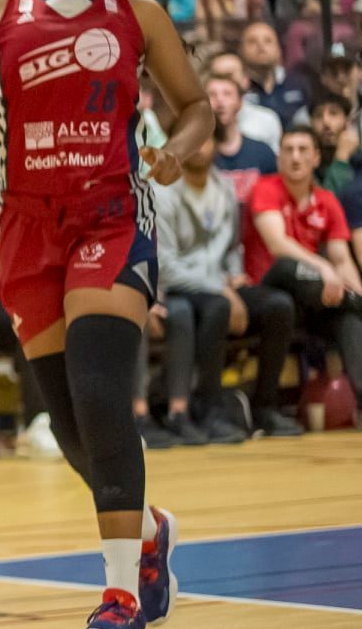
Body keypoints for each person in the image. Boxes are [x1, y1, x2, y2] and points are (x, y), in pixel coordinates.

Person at [0, 0, 213, 629]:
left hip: (109, 216)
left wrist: (175, 154)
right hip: (25, 226)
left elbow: (197, 107)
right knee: (67, 422)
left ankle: (122, 596)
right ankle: (150, 532)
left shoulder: (134, 15)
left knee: (98, 390)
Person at [152, 135, 293, 446]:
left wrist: (234, 276)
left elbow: (230, 248)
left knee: (278, 306)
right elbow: (166, 265)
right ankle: (208, 406)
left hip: (220, 283)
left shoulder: (224, 187)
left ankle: (264, 406)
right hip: (179, 285)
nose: (199, 146)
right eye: (193, 141)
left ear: (215, 146)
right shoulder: (163, 191)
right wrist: (221, 288)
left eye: (205, 140)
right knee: (219, 307)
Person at [243, 128, 362, 404]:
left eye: (303, 150)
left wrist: (357, 294)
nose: (295, 157)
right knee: (287, 266)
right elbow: (277, 244)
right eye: (289, 150)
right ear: (279, 157)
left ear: (316, 158)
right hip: (267, 287)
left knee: (349, 317)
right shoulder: (266, 188)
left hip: (311, 295)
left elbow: (343, 261)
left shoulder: (326, 200)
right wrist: (324, 267)